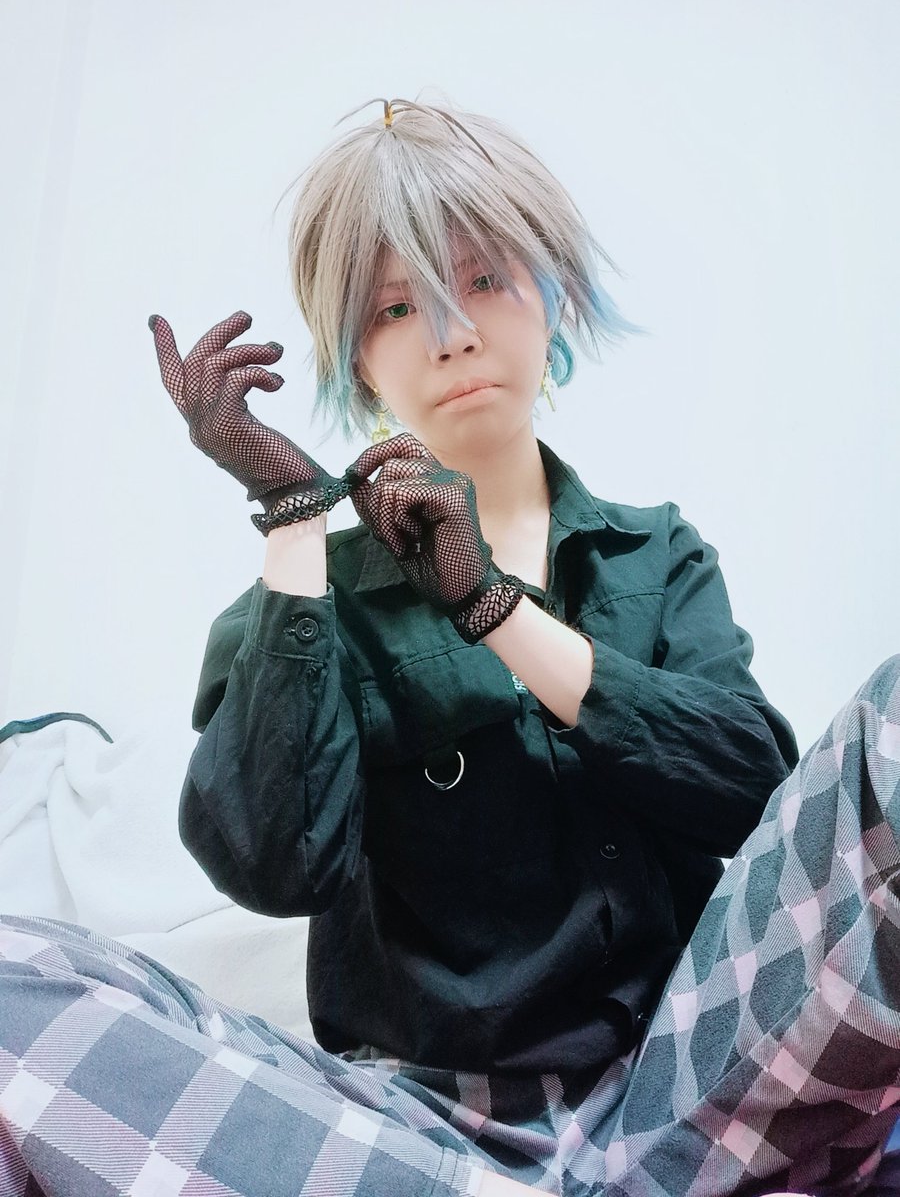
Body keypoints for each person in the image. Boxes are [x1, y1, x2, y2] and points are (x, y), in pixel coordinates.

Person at [1, 97, 898, 1197]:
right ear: (357, 361)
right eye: (396, 307)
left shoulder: (656, 554)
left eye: (485, 281)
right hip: (425, 1138)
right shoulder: (305, 599)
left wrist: (491, 607)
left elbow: (754, 792)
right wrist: (293, 521)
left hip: (694, 1081)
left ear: (552, 298)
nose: (452, 331)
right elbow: (276, 865)